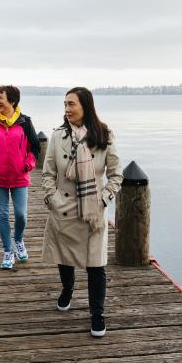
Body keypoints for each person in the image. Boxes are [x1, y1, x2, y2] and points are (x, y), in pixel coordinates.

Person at [41, 87, 122, 337]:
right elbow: (48, 173)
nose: (66, 109)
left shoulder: (104, 135)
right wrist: (52, 198)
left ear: (85, 106)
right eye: (65, 104)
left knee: (96, 266)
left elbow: (116, 174)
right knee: (65, 257)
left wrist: (103, 200)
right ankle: (67, 289)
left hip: (93, 212)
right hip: (63, 208)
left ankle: (97, 314)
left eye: (71, 104)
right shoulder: (57, 136)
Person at [0, 85, 40, 269]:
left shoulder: (25, 121)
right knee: (2, 215)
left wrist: (27, 165)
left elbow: (35, 148)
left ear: (12, 101)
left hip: (20, 177)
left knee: (21, 215)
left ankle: (18, 240)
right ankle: (7, 251)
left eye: (1, 97)